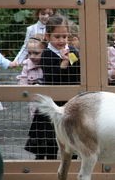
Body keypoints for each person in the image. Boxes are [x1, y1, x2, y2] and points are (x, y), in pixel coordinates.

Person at [33, 14, 80, 159]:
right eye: (57, 36)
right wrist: (63, 64)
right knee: (48, 136)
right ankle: (45, 163)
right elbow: (52, 76)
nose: (61, 40)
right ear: (48, 36)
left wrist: (71, 61)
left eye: (64, 36)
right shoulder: (47, 54)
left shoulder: (72, 51)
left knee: (72, 134)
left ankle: (72, 163)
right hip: (52, 100)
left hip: (69, 100)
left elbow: (78, 71)